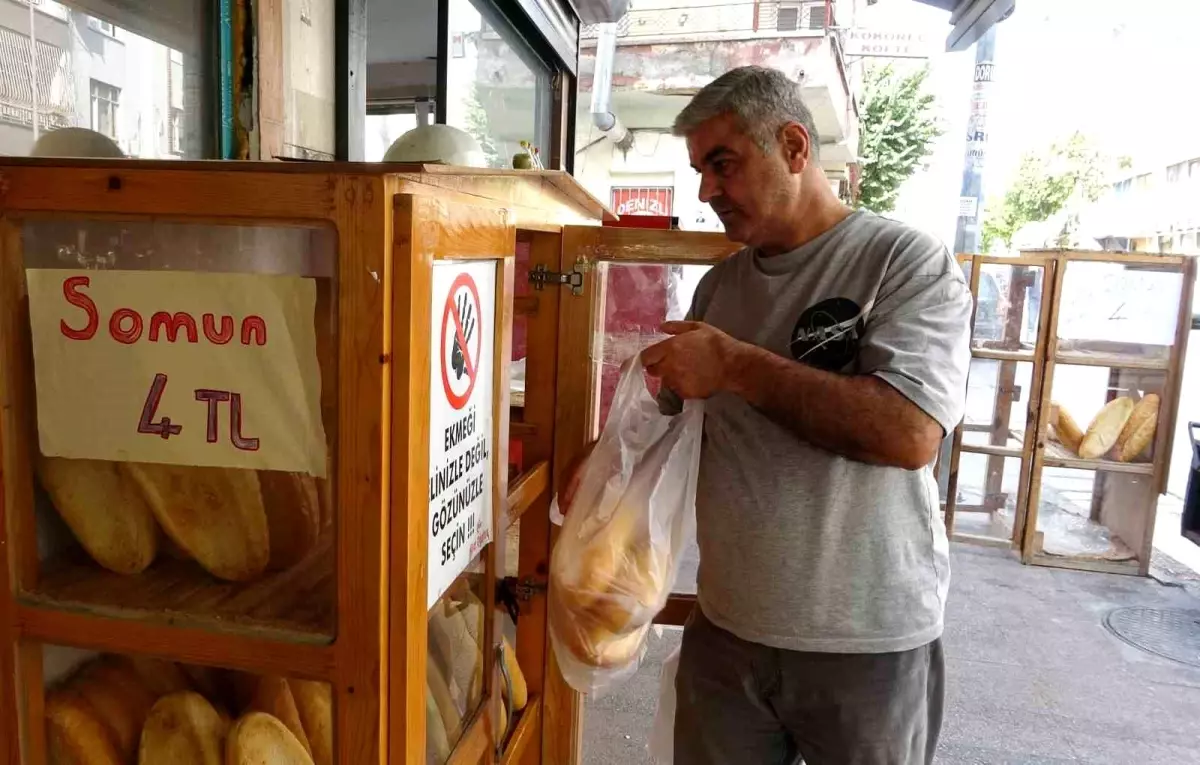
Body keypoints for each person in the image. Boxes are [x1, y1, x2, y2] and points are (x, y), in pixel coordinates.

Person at [623, 66, 970, 764]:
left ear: (793, 146)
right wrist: (601, 469)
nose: (706, 190)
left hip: (867, 644)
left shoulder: (901, 261)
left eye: (723, 163)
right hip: (727, 631)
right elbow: (664, 423)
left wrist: (738, 366)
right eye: (698, 170)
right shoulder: (720, 286)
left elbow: (908, 432)